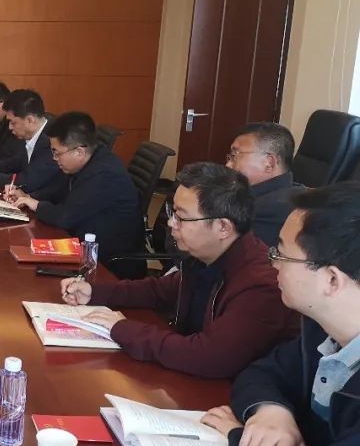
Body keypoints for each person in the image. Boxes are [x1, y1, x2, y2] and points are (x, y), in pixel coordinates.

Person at [202, 183, 360, 446]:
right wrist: (271, 413)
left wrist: (239, 437)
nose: (271, 261)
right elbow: (260, 372)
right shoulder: (322, 330)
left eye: (282, 254)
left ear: (331, 279)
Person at [60, 162, 298, 378]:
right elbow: (159, 290)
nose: (171, 224)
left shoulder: (259, 285)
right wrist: (94, 292)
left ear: (223, 227)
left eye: (181, 218)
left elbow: (209, 357)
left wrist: (121, 328)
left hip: (226, 395)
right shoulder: (206, 256)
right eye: (172, 212)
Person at [9, 112, 146, 280]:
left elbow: (65, 217)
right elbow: (59, 191)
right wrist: (28, 197)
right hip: (83, 249)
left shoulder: (105, 174)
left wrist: (36, 205)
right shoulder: (88, 162)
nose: (54, 158)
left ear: (79, 152)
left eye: (57, 153)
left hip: (108, 266)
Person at [225, 121, 302, 248]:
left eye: (235, 156)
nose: (228, 165)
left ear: (269, 163)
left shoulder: (264, 210)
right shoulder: (294, 190)